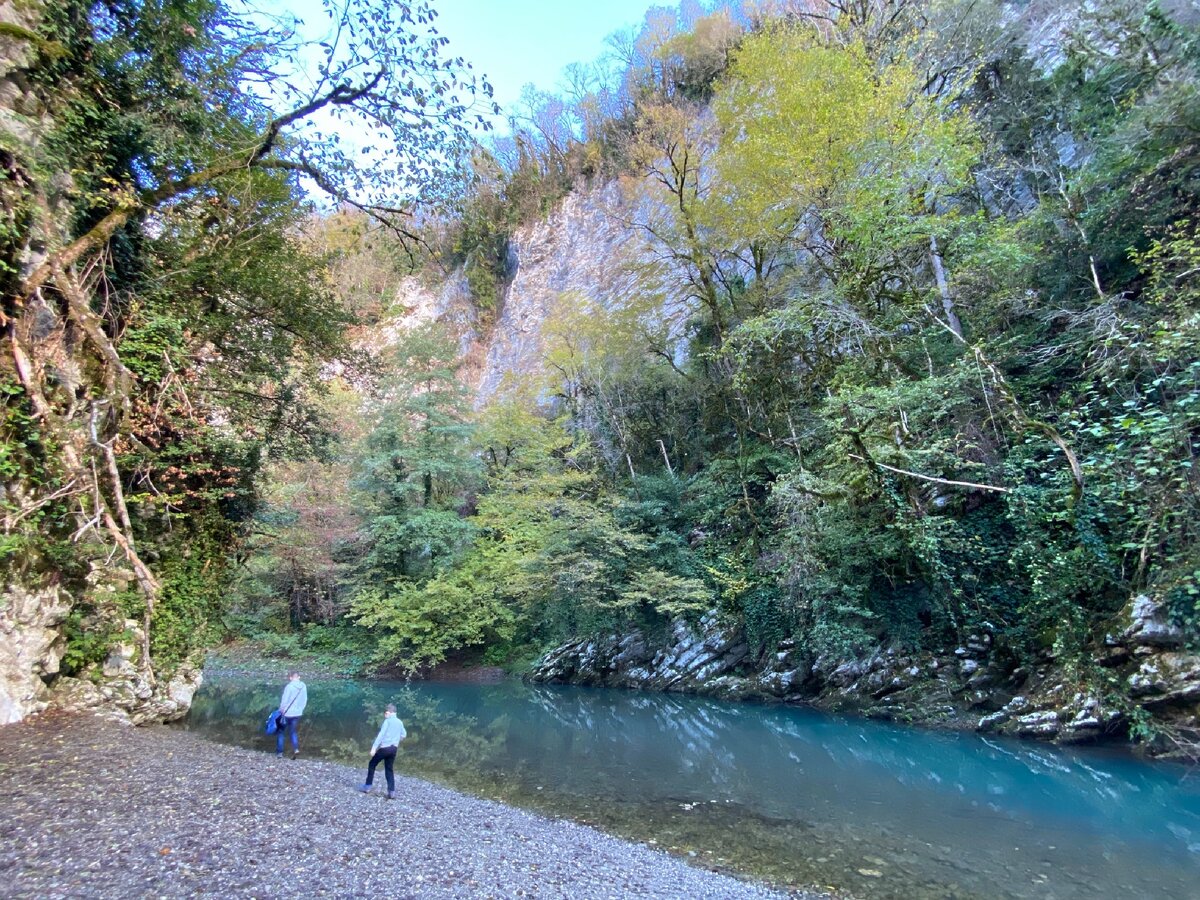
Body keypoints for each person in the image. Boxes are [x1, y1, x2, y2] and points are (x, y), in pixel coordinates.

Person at [358, 704, 406, 799]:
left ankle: (367, 786)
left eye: (386, 713)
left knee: (372, 764)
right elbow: (404, 735)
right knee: (389, 769)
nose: (385, 715)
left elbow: (381, 735)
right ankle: (391, 792)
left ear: (389, 712)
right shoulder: (400, 722)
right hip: (394, 749)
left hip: (385, 748)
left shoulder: (387, 721)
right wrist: (396, 740)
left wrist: (374, 748)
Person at [276, 671, 307, 758]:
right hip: (297, 713)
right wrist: (301, 709)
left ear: (290, 678)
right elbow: (304, 700)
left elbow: (284, 700)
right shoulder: (303, 686)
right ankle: (296, 749)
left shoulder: (289, 687)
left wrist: (281, 709)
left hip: (287, 713)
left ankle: (280, 753)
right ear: (299, 677)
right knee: (293, 731)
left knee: (281, 731)